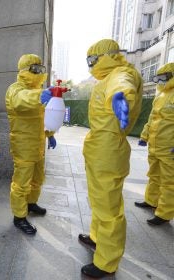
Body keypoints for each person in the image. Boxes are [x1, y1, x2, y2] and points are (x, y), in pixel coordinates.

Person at [79, 39, 143, 278]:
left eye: (93, 59)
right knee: (99, 200)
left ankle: (106, 262)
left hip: (108, 149)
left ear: (106, 56)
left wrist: (120, 98)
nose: (91, 65)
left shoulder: (120, 73)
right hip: (100, 149)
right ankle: (97, 239)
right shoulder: (107, 77)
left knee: (108, 207)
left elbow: (122, 85)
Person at [5, 54, 56, 235]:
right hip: (23, 145)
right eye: (35, 69)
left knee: (38, 178)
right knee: (21, 183)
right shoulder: (15, 89)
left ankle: (31, 203)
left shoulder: (39, 91)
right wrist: (40, 95)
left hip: (38, 144)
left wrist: (50, 134)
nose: (39, 73)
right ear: (25, 70)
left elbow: (44, 116)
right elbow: (21, 100)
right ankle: (19, 216)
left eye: (41, 69)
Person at [135, 62, 174, 226]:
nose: (160, 81)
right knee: (154, 175)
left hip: (170, 147)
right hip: (156, 145)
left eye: (163, 77)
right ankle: (151, 201)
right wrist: (144, 136)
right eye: (158, 78)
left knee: (169, 181)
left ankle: (164, 213)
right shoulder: (160, 95)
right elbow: (152, 118)